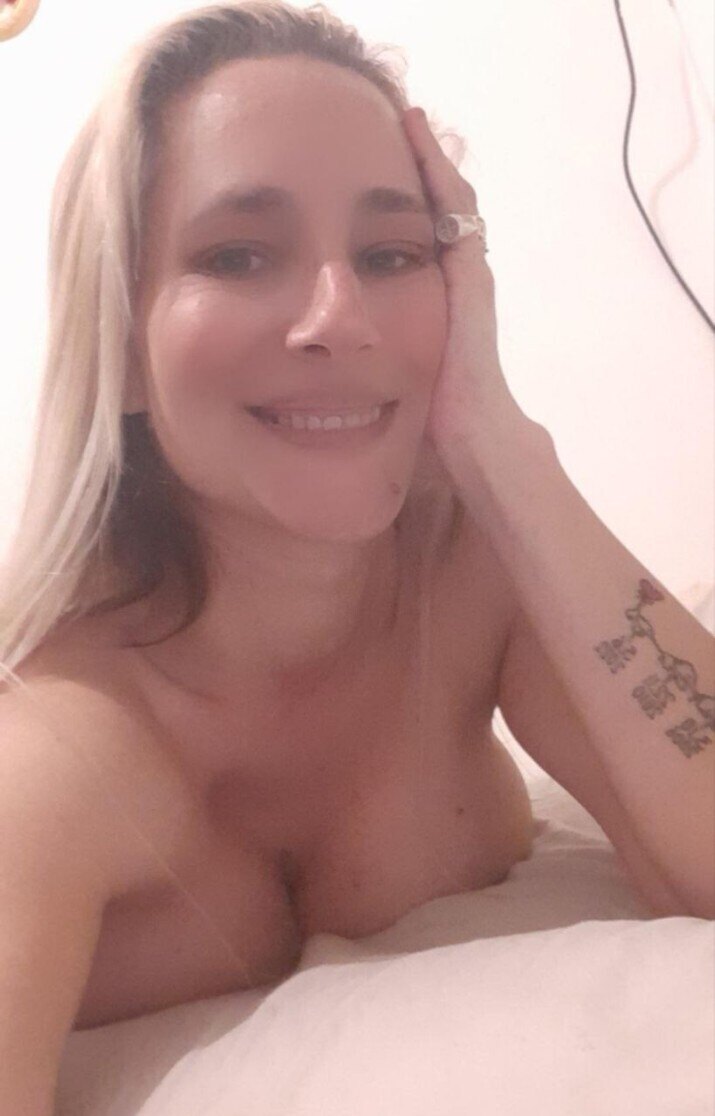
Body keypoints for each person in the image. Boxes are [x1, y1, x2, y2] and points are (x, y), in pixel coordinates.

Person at [0, 5, 537, 1107]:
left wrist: (505, 446)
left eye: (391, 254)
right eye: (237, 255)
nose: (339, 317)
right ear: (121, 343)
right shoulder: (46, 761)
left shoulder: (471, 571)